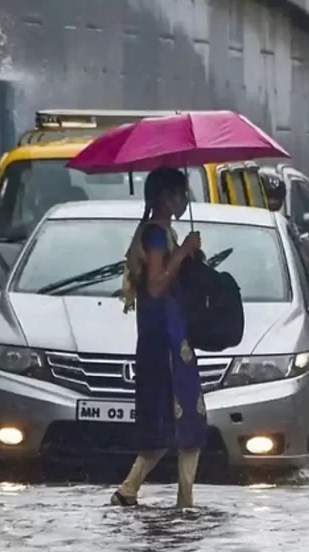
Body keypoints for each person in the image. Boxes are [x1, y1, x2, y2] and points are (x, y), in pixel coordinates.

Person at [111, 168, 205, 508]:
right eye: (181, 193)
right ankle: (169, 498)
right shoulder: (154, 235)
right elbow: (155, 285)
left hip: (170, 337)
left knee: (181, 420)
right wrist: (181, 255)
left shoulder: (164, 233)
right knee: (175, 419)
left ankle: (148, 493)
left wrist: (187, 253)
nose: (185, 199)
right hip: (163, 340)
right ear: (167, 197)